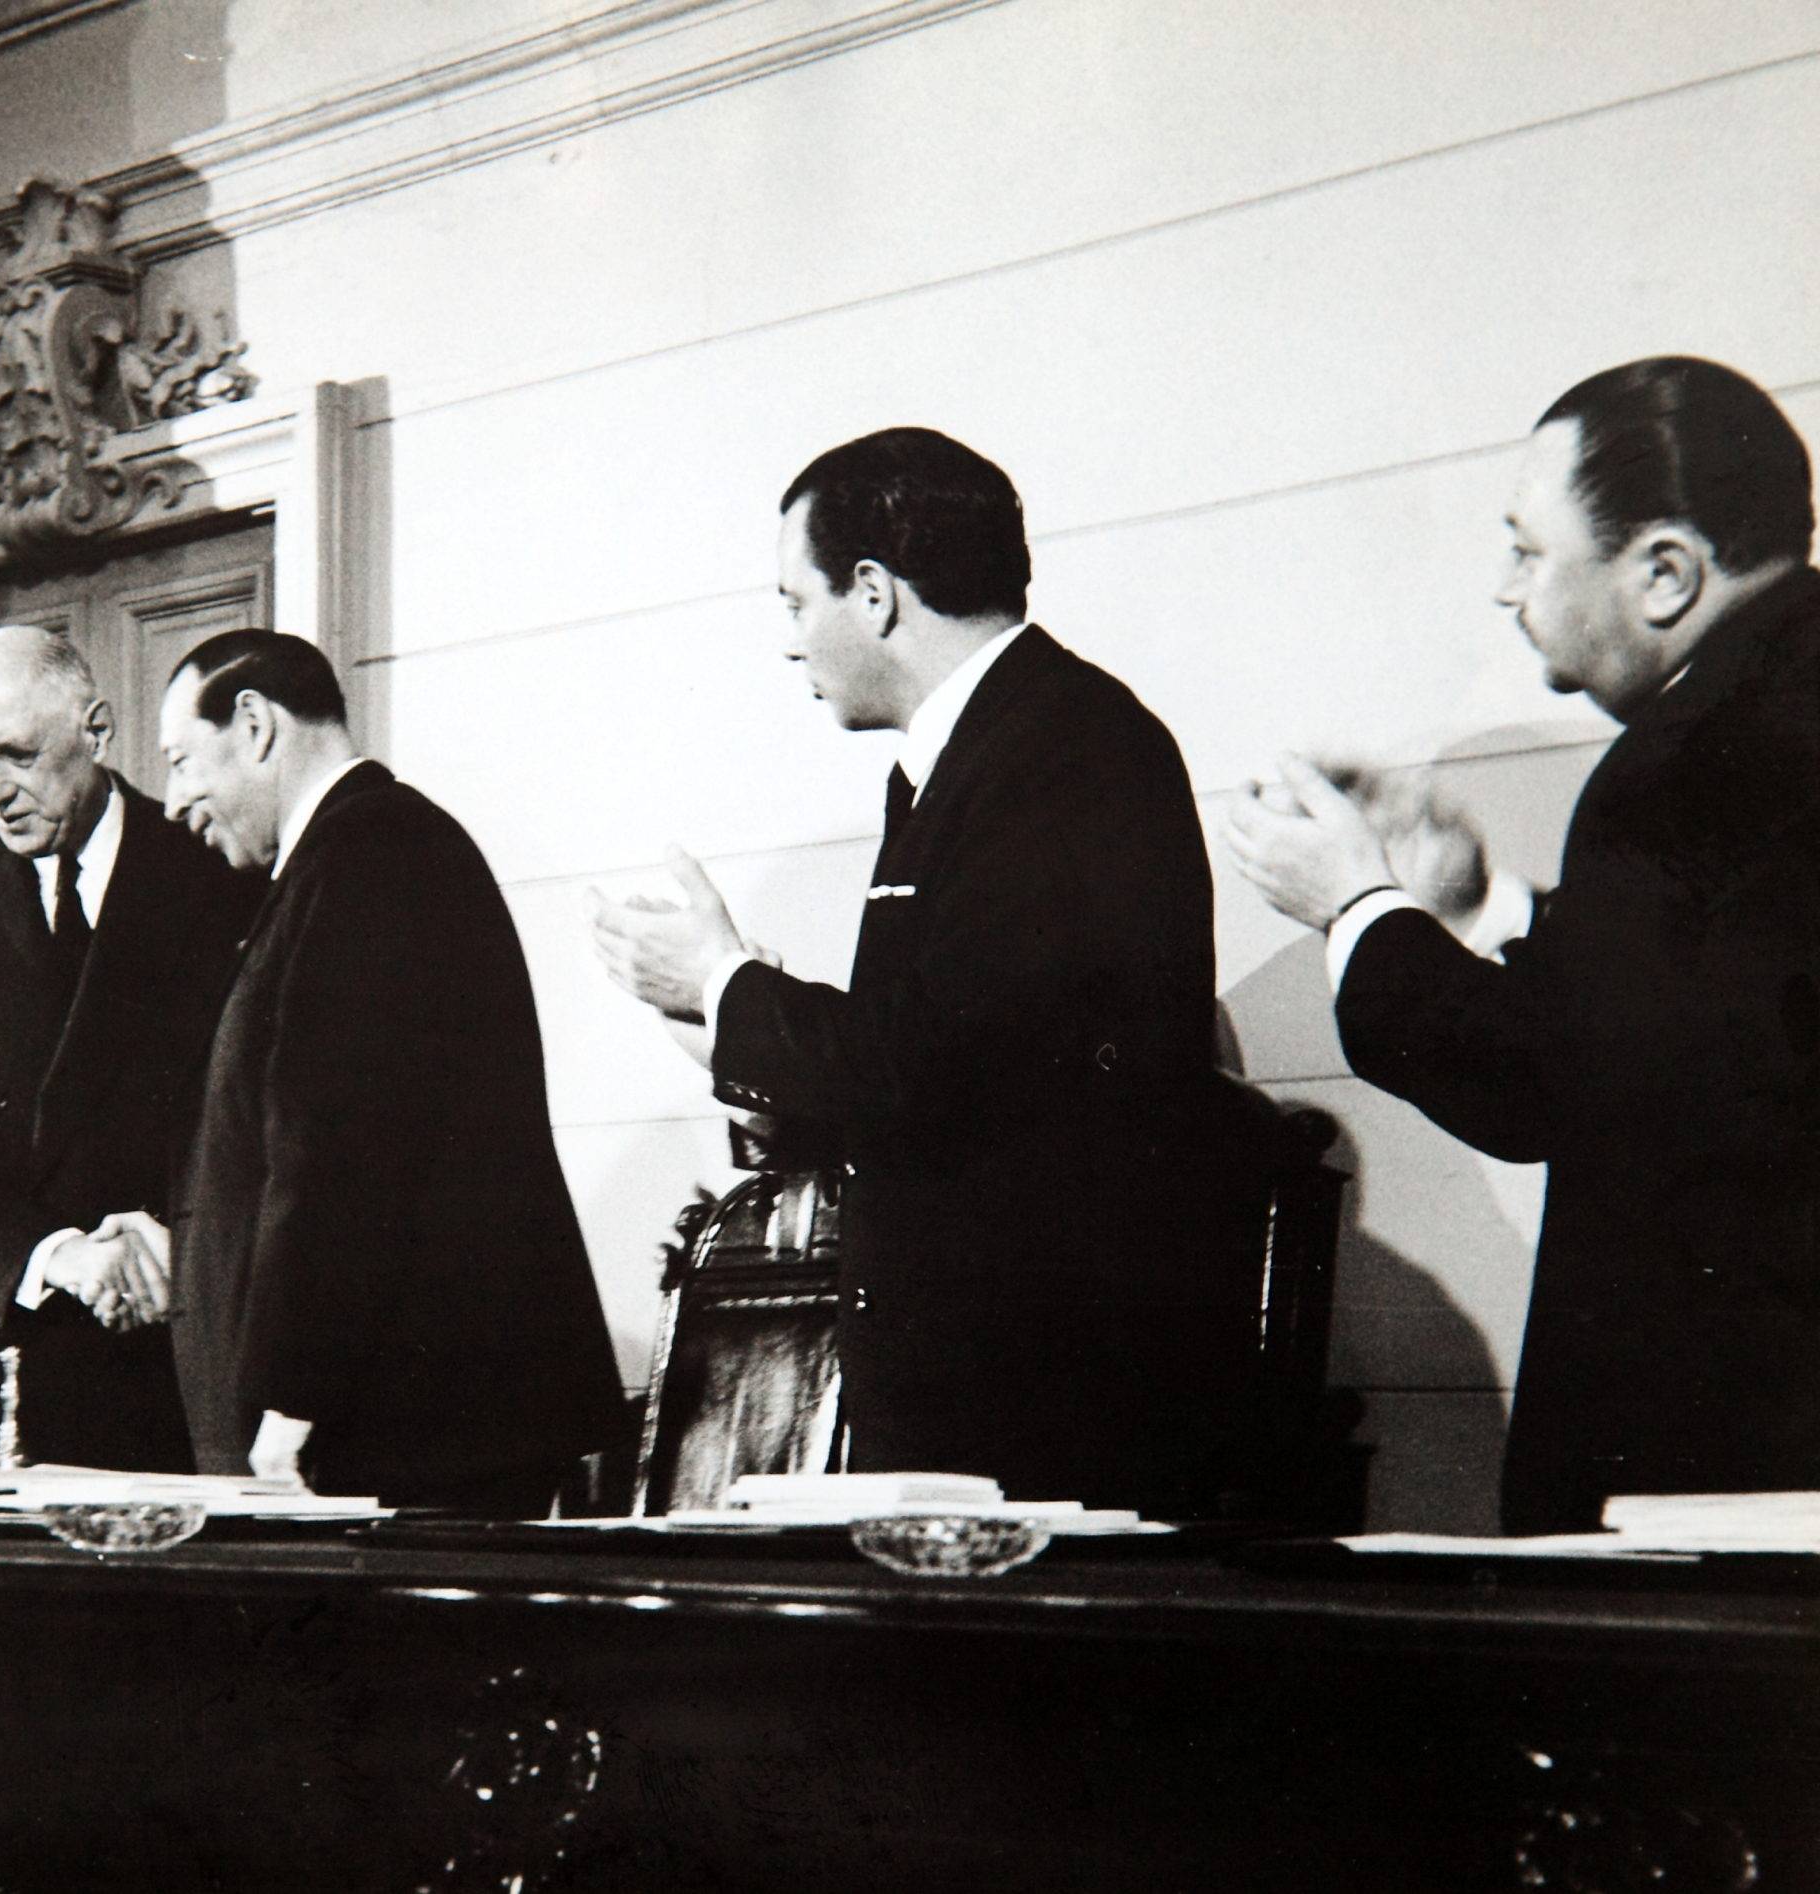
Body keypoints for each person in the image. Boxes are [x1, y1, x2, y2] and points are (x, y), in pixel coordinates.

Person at [591, 427, 1262, 1513]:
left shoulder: (1064, 749)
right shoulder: (982, 751)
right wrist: (721, 1023)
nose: (791, 642)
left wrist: (728, 986)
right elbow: (948, 1062)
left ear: (872, 593)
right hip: (979, 1397)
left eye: (793, 602)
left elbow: (934, 1064)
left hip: (1047, 1415)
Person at [1224, 357, 1820, 1533]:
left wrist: (1354, 906)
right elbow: (1705, 1024)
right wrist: (1471, 902)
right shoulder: (1779, 717)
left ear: (1662, 572)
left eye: (1528, 549)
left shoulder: (1688, 754)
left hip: (1706, 1471)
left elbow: (1545, 1085)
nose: (1505, 589)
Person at [150, 630, 627, 1511]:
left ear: (254, 724)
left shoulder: (371, 859)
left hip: (397, 1433)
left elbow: (342, 1152)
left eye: (182, 761)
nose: (175, 800)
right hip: (403, 1421)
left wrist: (294, 1398)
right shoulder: (361, 855)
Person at [0, 624, 256, 1486]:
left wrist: (177, 1237)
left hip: (173, 1370)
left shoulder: (220, 873)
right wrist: (54, 1255)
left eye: (18, 754)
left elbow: (260, 1112)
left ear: (98, 732)